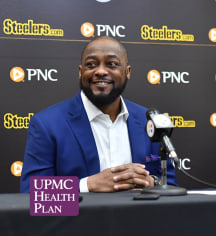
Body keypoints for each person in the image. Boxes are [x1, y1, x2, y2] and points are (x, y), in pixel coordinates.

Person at [20, 36, 177, 193]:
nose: (101, 71)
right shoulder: (47, 124)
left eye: (112, 64)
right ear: (81, 72)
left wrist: (153, 184)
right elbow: (33, 198)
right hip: (80, 218)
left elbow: (170, 188)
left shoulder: (148, 121)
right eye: (91, 64)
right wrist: (87, 186)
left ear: (127, 72)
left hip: (138, 218)